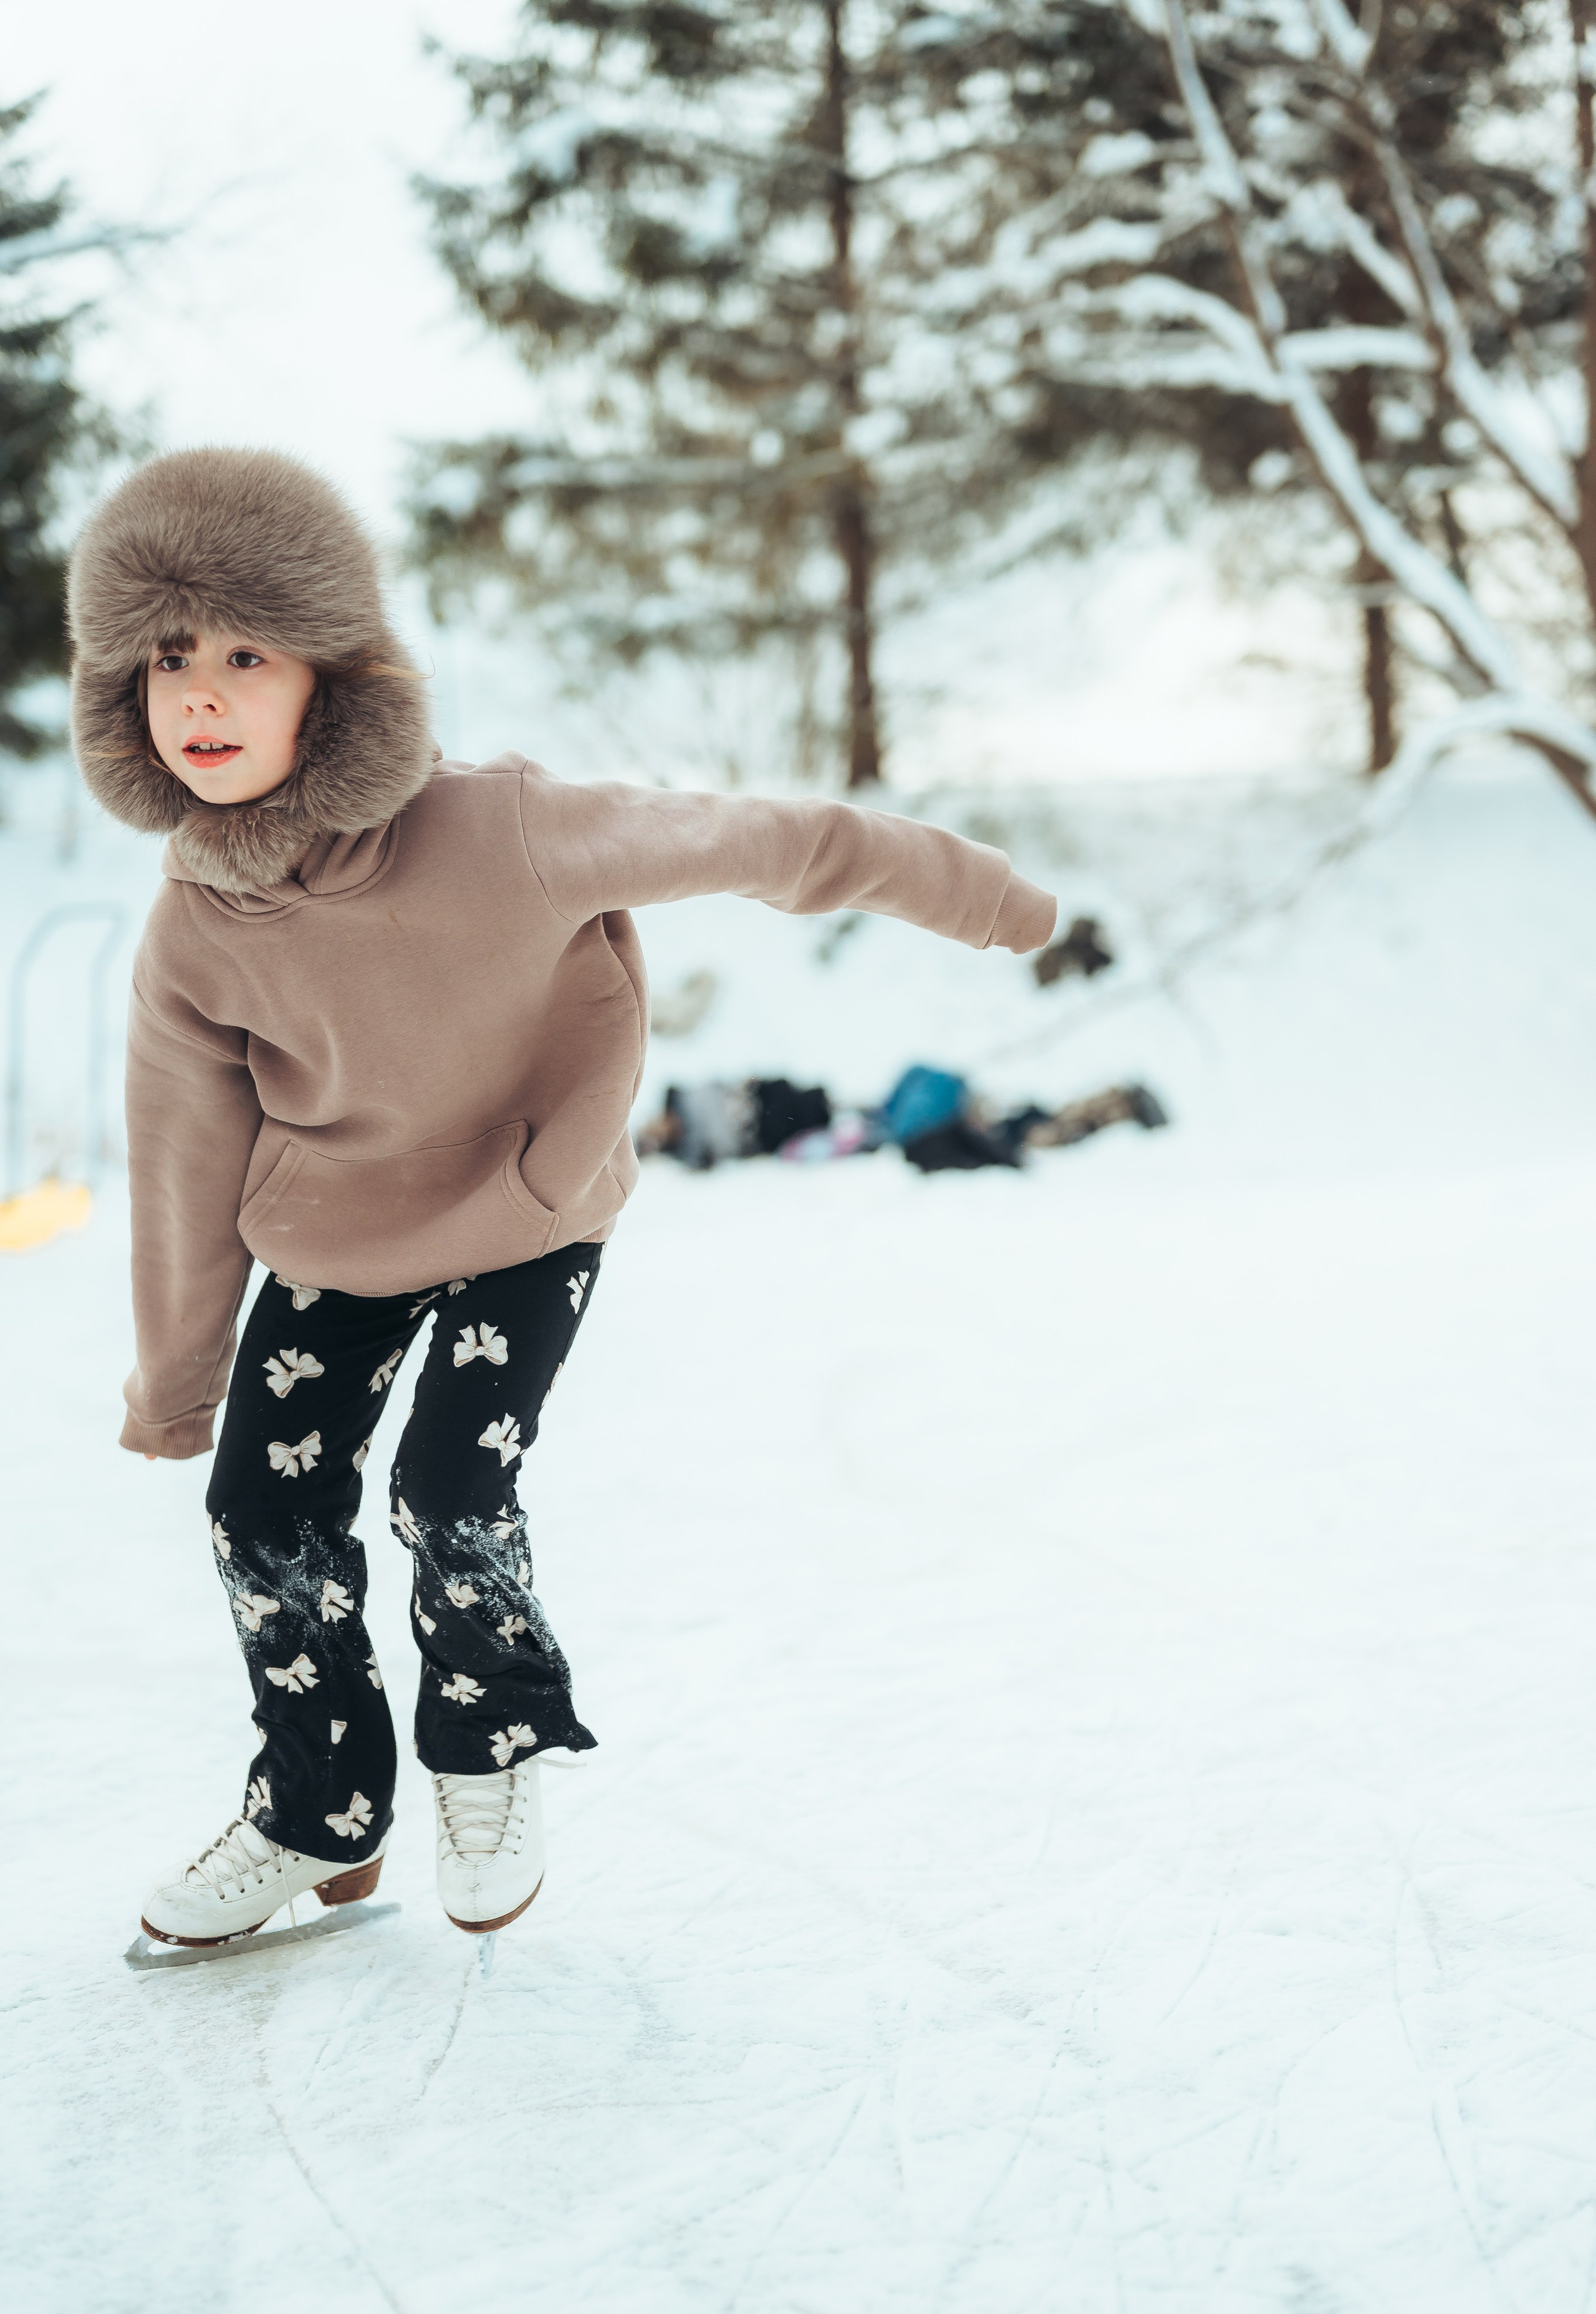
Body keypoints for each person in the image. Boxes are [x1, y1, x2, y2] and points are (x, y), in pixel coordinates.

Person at [68, 448, 1059, 1949]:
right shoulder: (194, 925)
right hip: (336, 1234)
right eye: (164, 659)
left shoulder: (499, 828)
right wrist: (177, 1376)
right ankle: (319, 1809)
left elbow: (767, 840)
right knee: (260, 1505)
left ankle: (490, 1745)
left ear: (329, 678)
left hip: (525, 1215)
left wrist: (984, 896)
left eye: (244, 655)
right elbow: (182, 1151)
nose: (198, 696)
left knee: (445, 1488)